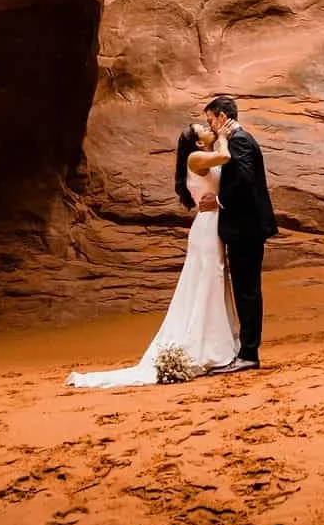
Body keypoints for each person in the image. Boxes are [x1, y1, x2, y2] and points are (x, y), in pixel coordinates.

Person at [65, 121, 239, 388]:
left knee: (211, 280)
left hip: (212, 222)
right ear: (197, 142)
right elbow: (225, 157)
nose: (208, 128)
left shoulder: (202, 156)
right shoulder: (195, 157)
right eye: (203, 129)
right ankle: (211, 347)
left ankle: (218, 341)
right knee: (209, 280)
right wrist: (224, 137)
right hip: (207, 227)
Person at [202, 94, 276, 373]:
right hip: (245, 228)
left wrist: (218, 201)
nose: (210, 126)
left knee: (247, 291)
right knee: (246, 290)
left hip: (246, 229)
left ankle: (248, 354)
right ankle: (246, 351)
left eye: (210, 120)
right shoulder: (236, 140)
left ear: (222, 117)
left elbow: (244, 180)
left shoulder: (240, 141)